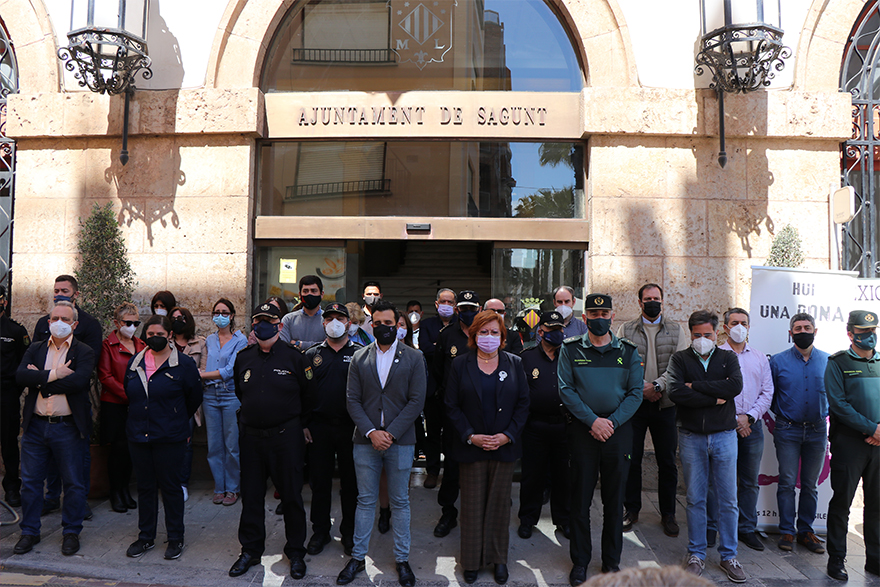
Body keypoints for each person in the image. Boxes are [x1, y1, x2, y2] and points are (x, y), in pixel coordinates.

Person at [336, 301, 426, 587]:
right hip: (365, 441)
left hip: (401, 441)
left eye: (390, 323)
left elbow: (416, 402)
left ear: (399, 326)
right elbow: (352, 400)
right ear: (371, 324)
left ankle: (402, 560)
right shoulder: (359, 357)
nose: (384, 328)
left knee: (400, 502)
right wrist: (372, 431)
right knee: (365, 501)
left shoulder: (414, 358)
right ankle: (357, 558)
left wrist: (391, 433)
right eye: (379, 323)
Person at [558, 294, 643, 586]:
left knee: (614, 500)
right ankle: (580, 561)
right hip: (584, 431)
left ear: (612, 316)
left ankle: (611, 562)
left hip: (618, 433)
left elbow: (635, 394)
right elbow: (566, 390)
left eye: (604, 312)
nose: (598, 318)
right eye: (593, 313)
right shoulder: (570, 350)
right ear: (585, 318)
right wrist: (592, 421)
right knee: (580, 500)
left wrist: (611, 422)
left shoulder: (628, 351)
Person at [445, 309, 530, 585]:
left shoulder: (515, 363)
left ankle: (498, 559)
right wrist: (470, 435)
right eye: (484, 332)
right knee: (471, 506)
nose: (489, 337)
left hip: (504, 448)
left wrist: (507, 435)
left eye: (495, 332)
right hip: (472, 447)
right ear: (474, 334)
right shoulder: (460, 364)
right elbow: (451, 405)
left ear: (503, 336)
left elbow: (523, 404)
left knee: (498, 506)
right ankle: (471, 561)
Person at [228, 303, 310, 580]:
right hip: (251, 438)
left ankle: (296, 551)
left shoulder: (295, 357)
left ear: (279, 325)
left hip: (285, 438)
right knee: (251, 497)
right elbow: (241, 392)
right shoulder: (244, 357)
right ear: (253, 325)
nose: (263, 325)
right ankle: (250, 550)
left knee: (291, 497)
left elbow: (307, 395)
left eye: (269, 320)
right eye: (258, 320)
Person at [667, 310, 745, 583]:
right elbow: (676, 391)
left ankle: (729, 555)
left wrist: (696, 386)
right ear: (690, 334)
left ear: (717, 334)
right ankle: (696, 554)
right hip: (691, 437)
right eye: (697, 335)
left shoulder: (728, 357)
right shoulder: (679, 358)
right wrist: (714, 397)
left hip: (724, 436)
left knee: (728, 500)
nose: (702, 339)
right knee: (695, 499)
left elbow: (734, 386)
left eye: (707, 334)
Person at [14, 301, 96, 556]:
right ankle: (29, 532)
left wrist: (41, 381)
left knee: (73, 483)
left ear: (75, 324)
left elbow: (79, 382)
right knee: (30, 483)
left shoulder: (84, 351)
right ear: (48, 322)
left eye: (65, 318)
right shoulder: (36, 348)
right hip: (36, 426)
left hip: (68, 428)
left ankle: (71, 532)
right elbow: (21, 376)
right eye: (54, 318)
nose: (59, 322)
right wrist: (54, 374)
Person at [123, 314, 202, 560]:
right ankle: (145, 536)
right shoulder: (135, 362)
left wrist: (176, 419)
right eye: (150, 334)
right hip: (139, 436)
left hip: (170, 437)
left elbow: (194, 397)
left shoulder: (184, 364)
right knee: (145, 487)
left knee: (170, 487)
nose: (154, 338)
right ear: (144, 335)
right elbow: (130, 392)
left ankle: (175, 537)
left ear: (169, 335)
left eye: (160, 334)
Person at [618, 283, 687, 537]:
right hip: (634, 405)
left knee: (667, 462)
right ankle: (632, 509)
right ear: (639, 302)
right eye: (648, 298)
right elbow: (621, 364)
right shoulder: (625, 329)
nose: (652, 302)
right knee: (632, 459)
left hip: (665, 404)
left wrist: (658, 385)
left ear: (663, 300)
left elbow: (679, 366)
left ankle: (668, 514)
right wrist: (641, 387)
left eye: (656, 298)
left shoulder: (676, 330)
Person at [31, 275, 102, 517]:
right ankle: (51, 498)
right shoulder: (43, 323)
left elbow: (87, 368)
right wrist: (50, 376)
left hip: (75, 404)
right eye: (56, 290)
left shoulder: (90, 325)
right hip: (45, 405)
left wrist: (46, 379)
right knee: (49, 456)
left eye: (65, 290)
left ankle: (79, 502)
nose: (59, 294)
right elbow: (33, 362)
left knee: (79, 459)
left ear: (76, 294)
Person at [824, 310, 880, 581]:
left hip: (879, 444)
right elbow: (838, 405)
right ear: (850, 334)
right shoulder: (838, 362)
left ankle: (876, 560)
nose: (870, 336)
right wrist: (872, 429)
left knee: (877, 505)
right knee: (842, 503)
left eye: (873, 330)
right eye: (863, 332)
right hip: (849, 444)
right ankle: (836, 560)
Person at [303, 302, 362, 557]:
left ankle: (349, 532)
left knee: (351, 484)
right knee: (320, 483)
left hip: (351, 428)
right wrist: (304, 423)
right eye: (330, 318)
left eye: (340, 317)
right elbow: (303, 393)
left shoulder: (361, 353)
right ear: (323, 323)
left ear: (348, 323)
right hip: (319, 427)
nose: (335, 322)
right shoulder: (312, 354)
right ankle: (320, 532)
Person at [712, 308, 773, 552]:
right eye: (734, 322)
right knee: (720, 481)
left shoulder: (759, 357)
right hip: (723, 426)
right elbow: (714, 390)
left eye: (744, 323)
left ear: (749, 327)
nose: (739, 326)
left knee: (749, 481)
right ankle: (715, 527)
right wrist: (736, 418)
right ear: (726, 328)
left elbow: (767, 391)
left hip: (752, 427)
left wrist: (748, 417)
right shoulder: (716, 356)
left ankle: (747, 528)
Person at [768, 312, 829, 554]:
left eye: (807, 327)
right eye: (798, 328)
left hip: (817, 430)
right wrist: (785, 415)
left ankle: (806, 531)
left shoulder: (828, 361)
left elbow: (835, 396)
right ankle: (786, 530)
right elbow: (770, 396)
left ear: (815, 331)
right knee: (786, 481)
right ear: (790, 332)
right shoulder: (778, 361)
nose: (802, 331)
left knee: (810, 485)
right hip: (787, 430)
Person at [432, 290, 482, 539]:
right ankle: (448, 512)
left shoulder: (485, 334)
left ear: (479, 307)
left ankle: (481, 512)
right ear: (457, 310)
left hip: (481, 411)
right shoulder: (447, 336)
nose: (467, 312)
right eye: (463, 308)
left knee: (480, 464)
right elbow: (439, 371)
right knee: (452, 464)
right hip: (453, 412)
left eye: (472, 308)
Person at [517, 311, 570, 540]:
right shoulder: (526, 358)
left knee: (563, 477)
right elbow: (520, 393)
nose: (556, 334)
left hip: (563, 426)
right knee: (532, 477)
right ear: (541, 332)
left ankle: (563, 520)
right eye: (551, 330)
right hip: (534, 427)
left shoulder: (569, 355)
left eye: (559, 330)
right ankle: (528, 519)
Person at [97, 302, 146, 514]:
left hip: (135, 406)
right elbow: (105, 376)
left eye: (136, 322)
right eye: (128, 322)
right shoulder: (108, 345)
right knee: (117, 449)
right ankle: (115, 492)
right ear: (117, 323)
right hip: (115, 404)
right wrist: (128, 395)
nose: (132, 326)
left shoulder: (142, 345)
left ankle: (125, 490)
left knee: (131, 449)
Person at [201, 298, 248, 506]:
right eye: (217, 311)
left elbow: (230, 371)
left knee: (232, 445)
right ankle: (219, 488)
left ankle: (233, 488)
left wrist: (202, 375)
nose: (220, 315)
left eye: (225, 312)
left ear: (232, 316)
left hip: (230, 396)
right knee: (214, 446)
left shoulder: (241, 340)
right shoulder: (209, 340)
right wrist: (205, 375)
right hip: (210, 396)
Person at [419, 288, 457, 489]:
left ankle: (451, 473)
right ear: (436, 304)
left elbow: (460, 354)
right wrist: (443, 349)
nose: (446, 305)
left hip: (454, 389)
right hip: (432, 389)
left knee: (452, 434)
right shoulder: (427, 325)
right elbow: (425, 348)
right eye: (443, 301)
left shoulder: (460, 326)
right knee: (432, 433)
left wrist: (438, 348)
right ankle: (432, 471)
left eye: (450, 302)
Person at [170, 306, 207, 502]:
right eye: (174, 318)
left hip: (189, 402)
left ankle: (182, 483)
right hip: (167, 401)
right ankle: (169, 482)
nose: (178, 321)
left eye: (182, 318)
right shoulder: (164, 342)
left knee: (186, 443)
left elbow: (203, 370)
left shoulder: (199, 343)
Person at [0, 285, 30, 507]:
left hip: (6, 395)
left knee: (9, 443)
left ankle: (11, 488)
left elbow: (23, 365)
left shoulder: (15, 331)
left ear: (4, 301)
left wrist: (13, 391)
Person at [280, 275, 326, 349]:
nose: (309, 294)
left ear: (321, 294)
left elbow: (328, 347)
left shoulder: (328, 320)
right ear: (300, 295)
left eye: (314, 291)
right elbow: (283, 348)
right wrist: (319, 344)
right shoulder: (288, 319)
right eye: (305, 291)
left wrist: (299, 344)